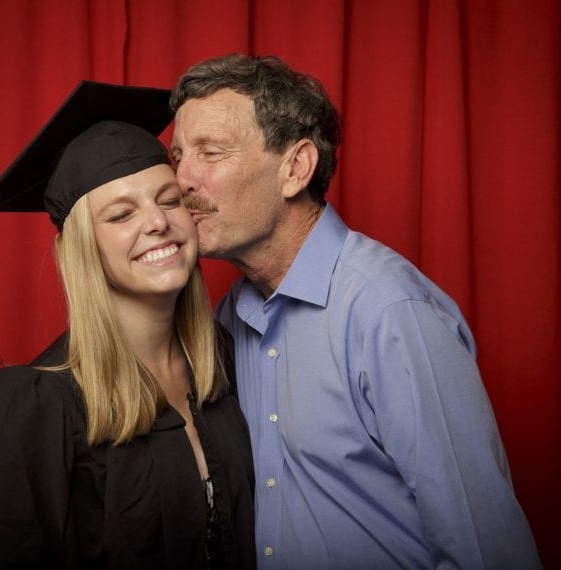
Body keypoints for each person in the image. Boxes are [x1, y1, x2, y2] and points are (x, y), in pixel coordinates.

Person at [0, 81, 255, 569]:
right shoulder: (39, 406)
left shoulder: (231, 363)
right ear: (82, 249)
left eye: (168, 200)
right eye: (120, 214)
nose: (157, 223)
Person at [169, 54, 541, 569]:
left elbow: (486, 549)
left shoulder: (390, 312)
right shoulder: (232, 316)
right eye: (178, 155)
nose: (182, 179)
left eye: (210, 152)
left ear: (295, 169)